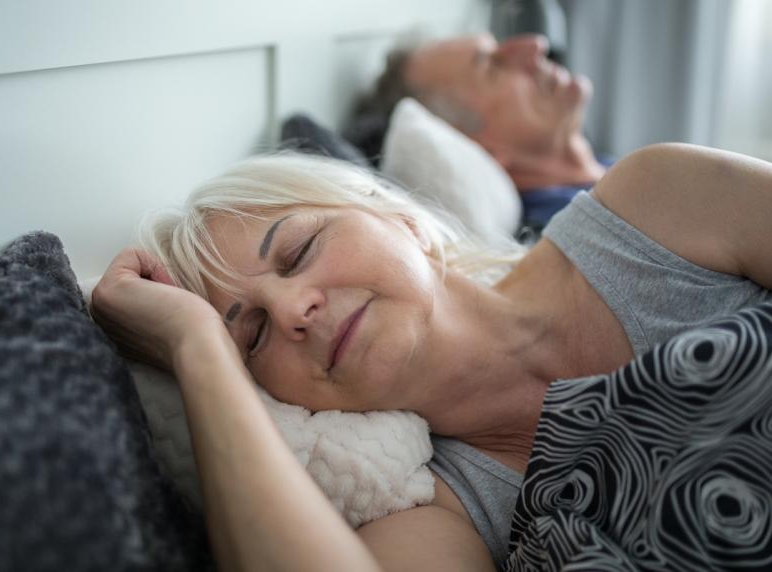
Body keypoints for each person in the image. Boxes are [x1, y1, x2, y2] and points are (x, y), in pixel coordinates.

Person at [90, 142, 772, 571]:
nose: (294, 308)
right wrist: (196, 347)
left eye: (298, 251)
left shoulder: (656, 206)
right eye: (253, 334)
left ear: (398, 217)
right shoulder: (433, 517)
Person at [349, 33, 609, 233]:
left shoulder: (608, 175)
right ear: (479, 147)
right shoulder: (577, 235)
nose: (535, 44)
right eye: (493, 67)